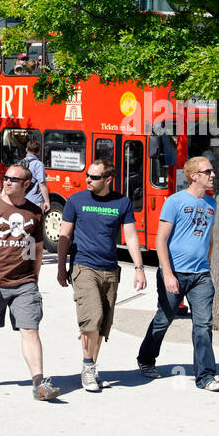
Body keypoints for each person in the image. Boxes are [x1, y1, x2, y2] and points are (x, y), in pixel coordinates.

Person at [0, 164, 61, 400]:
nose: (7, 182)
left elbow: (36, 247)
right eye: (6, 178)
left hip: (25, 284)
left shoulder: (35, 212)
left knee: (31, 330)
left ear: (26, 185)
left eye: (13, 179)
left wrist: (34, 277)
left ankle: (39, 383)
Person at [56, 159, 146, 392]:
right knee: (92, 317)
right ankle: (87, 368)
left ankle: (91, 367)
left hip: (110, 269)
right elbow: (64, 235)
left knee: (103, 324)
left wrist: (138, 268)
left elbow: (132, 237)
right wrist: (60, 267)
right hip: (83, 266)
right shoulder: (76, 200)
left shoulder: (122, 202)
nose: (88, 179)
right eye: (87, 175)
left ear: (108, 180)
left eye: (94, 177)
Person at [136, 156, 219, 391]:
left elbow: (210, 239)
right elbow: (161, 240)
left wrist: (204, 264)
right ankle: (145, 359)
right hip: (174, 272)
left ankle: (205, 376)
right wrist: (167, 273)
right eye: (208, 171)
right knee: (163, 320)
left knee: (203, 325)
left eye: (212, 171)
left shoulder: (211, 204)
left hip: (200, 276)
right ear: (194, 176)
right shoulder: (174, 202)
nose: (212, 175)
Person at [24, 139, 50, 212]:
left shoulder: (20, 163)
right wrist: (47, 201)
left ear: (26, 150)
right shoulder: (38, 164)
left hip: (22, 199)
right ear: (38, 152)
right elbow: (42, 184)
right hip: (34, 201)